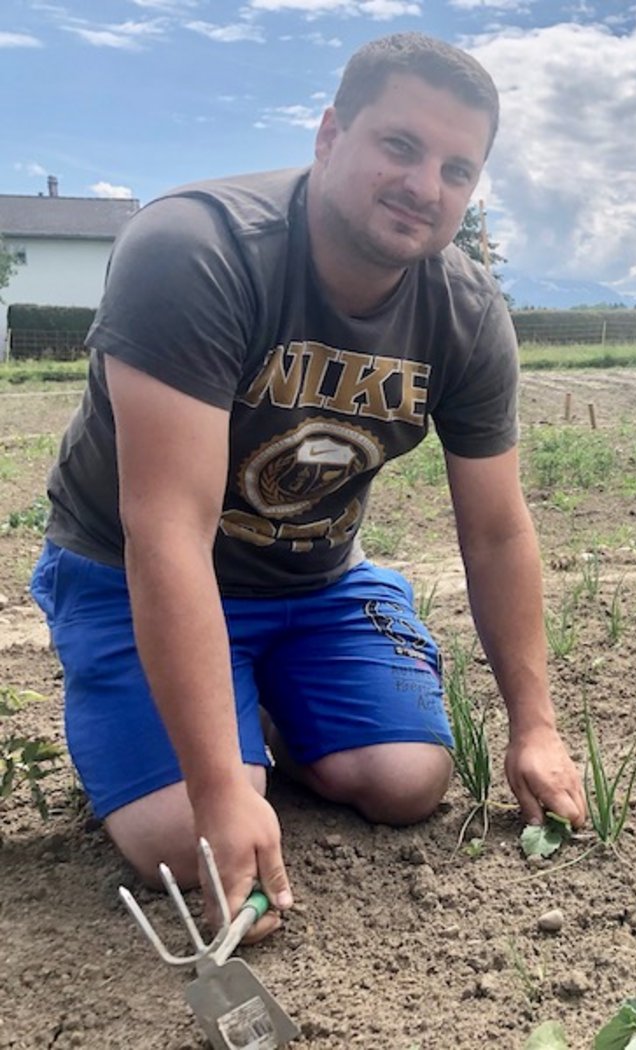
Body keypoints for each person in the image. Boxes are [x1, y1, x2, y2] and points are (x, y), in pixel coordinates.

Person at [29, 32, 584, 940]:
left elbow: (496, 532)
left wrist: (535, 725)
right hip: (130, 571)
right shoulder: (197, 249)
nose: (423, 185)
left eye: (456, 168)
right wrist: (216, 789)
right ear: (330, 136)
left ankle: (267, 696)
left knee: (408, 783)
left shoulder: (469, 316)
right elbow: (166, 528)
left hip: (316, 579)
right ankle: (214, 735)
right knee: (189, 839)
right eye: (399, 146)